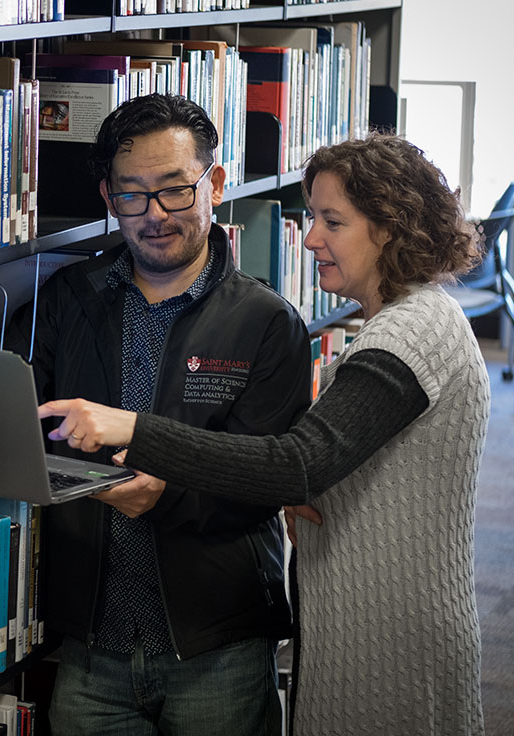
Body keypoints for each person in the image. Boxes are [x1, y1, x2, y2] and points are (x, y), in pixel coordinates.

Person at [40, 132, 489, 736]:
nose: (310, 239)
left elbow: (297, 464)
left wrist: (135, 430)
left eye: (333, 221)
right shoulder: (405, 325)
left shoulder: (411, 335)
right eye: (313, 218)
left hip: (393, 634)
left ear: (389, 227)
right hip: (360, 619)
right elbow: (323, 465)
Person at [4, 93, 311, 736]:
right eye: (132, 195)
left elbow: (268, 482)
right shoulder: (69, 298)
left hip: (217, 644)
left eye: (175, 191)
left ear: (215, 185)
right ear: (108, 197)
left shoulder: (267, 322)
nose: (154, 216)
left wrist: (164, 497)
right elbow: (21, 427)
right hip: (91, 646)